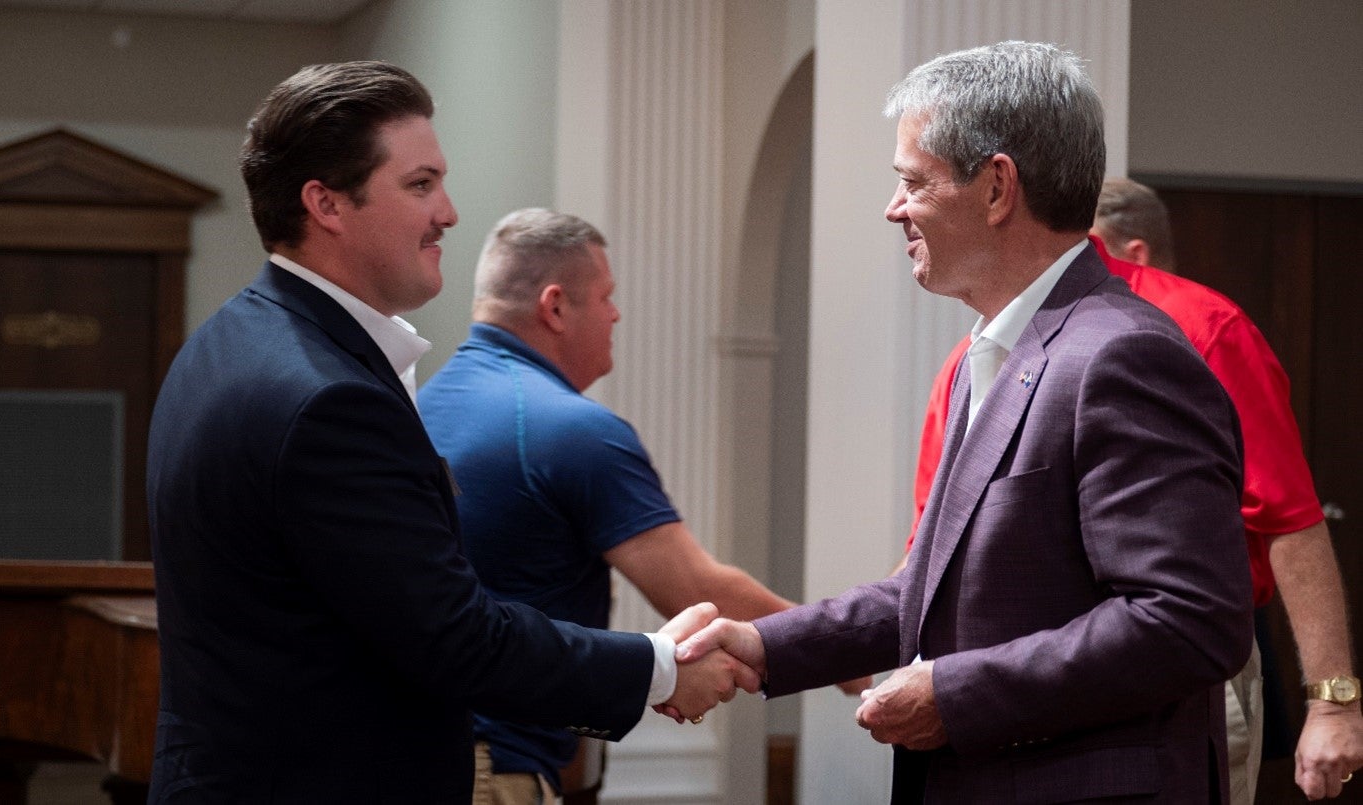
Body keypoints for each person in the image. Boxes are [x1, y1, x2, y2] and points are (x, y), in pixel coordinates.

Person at [145, 61, 757, 804]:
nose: (449, 212)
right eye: (420, 184)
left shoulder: (225, 343)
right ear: (327, 202)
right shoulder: (327, 397)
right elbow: (452, 635)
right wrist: (658, 667)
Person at [677, 41, 1255, 802]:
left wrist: (956, 693)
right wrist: (760, 645)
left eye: (912, 182)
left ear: (996, 187)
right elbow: (932, 587)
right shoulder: (1001, 350)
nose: (893, 208)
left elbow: (1189, 620)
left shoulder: (1124, 357)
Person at [906, 176, 1363, 802]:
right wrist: (1334, 701)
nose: (898, 209)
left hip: (1042, 672)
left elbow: (923, 563)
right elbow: (1285, 516)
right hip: (1082, 686)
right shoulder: (1194, 321)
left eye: (911, 183)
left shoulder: (973, 356)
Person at [418, 208, 865, 804]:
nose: (616, 314)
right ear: (554, 307)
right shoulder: (571, 431)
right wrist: (841, 648)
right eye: (605, 297)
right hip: (492, 769)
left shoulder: (416, 410)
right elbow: (693, 588)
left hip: (414, 748)